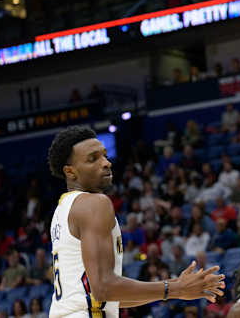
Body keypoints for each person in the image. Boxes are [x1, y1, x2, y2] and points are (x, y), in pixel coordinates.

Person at [47, 126, 225, 317]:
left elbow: (107, 298)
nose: (106, 163)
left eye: (104, 156)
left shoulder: (62, 210)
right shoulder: (94, 204)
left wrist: (176, 288)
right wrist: (173, 289)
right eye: (93, 159)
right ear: (70, 172)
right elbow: (104, 288)